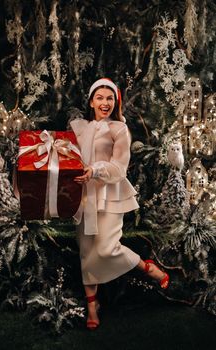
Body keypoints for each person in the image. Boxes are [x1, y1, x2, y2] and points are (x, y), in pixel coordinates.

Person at [70, 78, 169, 330]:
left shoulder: (118, 129)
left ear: (116, 102)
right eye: (100, 98)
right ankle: (92, 305)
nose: (105, 102)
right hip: (83, 197)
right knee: (86, 251)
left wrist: (94, 170)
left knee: (105, 248)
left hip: (110, 195)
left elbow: (119, 168)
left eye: (110, 98)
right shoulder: (80, 129)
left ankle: (147, 267)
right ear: (91, 101)